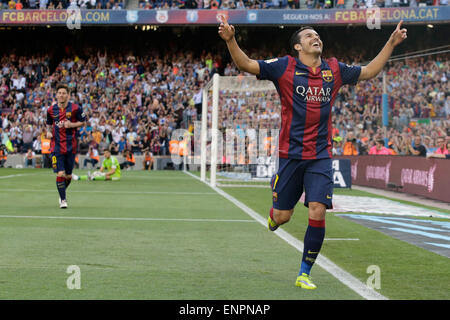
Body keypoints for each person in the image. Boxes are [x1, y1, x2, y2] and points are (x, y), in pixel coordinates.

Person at [219, 16, 407, 289]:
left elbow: (368, 72)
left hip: (320, 156)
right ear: (297, 46)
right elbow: (246, 64)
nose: (315, 37)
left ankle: (304, 272)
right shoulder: (284, 66)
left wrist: (390, 43)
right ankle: (276, 208)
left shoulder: (334, 69)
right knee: (282, 217)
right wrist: (231, 39)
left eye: (317, 34)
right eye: (308, 35)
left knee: (318, 210)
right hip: (290, 156)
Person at [46, 83, 86, 209]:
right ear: (56, 95)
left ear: (68, 95)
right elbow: (48, 124)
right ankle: (63, 200)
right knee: (60, 173)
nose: (62, 95)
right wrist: (47, 131)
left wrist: (71, 125)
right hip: (56, 146)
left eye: (64, 93)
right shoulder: (51, 110)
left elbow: (83, 122)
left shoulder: (75, 108)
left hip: (71, 146)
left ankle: (61, 192)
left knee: (68, 176)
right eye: (59, 93)